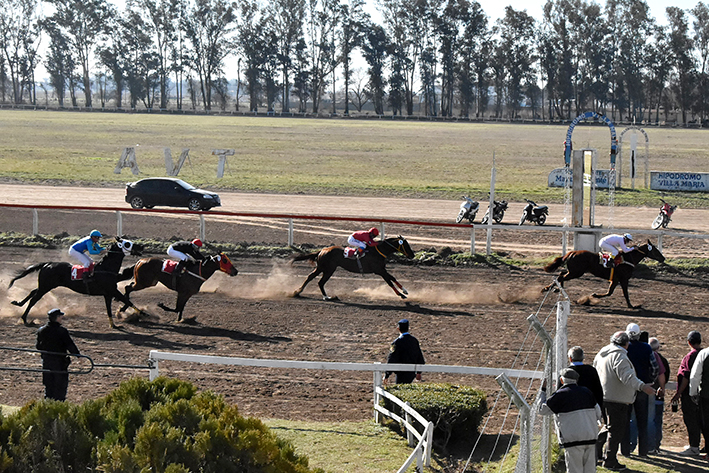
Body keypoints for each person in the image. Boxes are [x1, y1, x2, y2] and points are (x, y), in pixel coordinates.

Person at [593, 331, 656, 471]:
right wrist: (642, 386)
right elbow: (627, 377)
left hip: (605, 396)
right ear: (626, 344)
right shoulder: (619, 356)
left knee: (609, 427)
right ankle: (610, 460)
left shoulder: (602, 353)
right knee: (616, 431)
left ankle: (596, 452)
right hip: (617, 399)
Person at [540, 368, 602, 473]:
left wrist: (543, 391)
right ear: (576, 380)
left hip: (573, 440)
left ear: (562, 380)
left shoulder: (559, 395)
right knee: (590, 470)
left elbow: (542, 410)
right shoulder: (587, 392)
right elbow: (598, 413)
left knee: (574, 470)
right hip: (590, 436)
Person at [622, 323, 659, 457]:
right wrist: (651, 380)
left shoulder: (624, 348)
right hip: (643, 387)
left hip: (627, 387)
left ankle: (625, 450)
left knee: (626, 420)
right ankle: (643, 451)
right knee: (642, 420)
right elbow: (655, 367)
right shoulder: (646, 347)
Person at [566, 346, 605, 462]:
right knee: (591, 436)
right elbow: (599, 391)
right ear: (583, 358)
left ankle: (576, 460)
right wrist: (600, 410)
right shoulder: (591, 371)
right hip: (590, 410)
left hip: (572, 411)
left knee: (574, 438)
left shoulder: (567, 372)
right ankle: (592, 460)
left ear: (570, 358)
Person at [36, 309, 80, 401]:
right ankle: (58, 407)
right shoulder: (62, 331)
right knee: (60, 387)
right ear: (57, 318)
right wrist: (78, 355)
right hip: (59, 363)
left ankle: (48, 406)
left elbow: (38, 346)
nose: (62, 318)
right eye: (60, 317)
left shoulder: (41, 330)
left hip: (47, 362)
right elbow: (69, 345)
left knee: (49, 387)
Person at [671, 331, 703, 457]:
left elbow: (685, 376)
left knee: (691, 420)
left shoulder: (689, 357)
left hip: (690, 394)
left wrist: (678, 394)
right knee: (703, 420)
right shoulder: (705, 354)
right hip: (703, 394)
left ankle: (694, 447)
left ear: (688, 342)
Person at [384, 319, 425, 385]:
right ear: (408, 328)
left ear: (398, 328)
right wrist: (419, 372)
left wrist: (387, 374)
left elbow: (392, 358)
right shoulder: (414, 341)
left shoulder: (396, 342)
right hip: (412, 371)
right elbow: (419, 356)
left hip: (400, 372)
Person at [689, 343, 709, 460]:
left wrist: (693, 392)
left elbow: (695, 375)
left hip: (706, 396)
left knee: (706, 423)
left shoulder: (704, 353)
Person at [648, 337, 669, 454]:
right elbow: (665, 376)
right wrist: (662, 388)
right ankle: (655, 445)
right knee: (656, 421)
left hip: (645, 392)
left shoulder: (645, 357)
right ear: (658, 348)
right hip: (658, 395)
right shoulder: (663, 360)